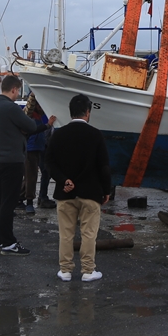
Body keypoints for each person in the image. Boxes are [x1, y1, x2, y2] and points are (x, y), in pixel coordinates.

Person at [46, 93, 112, 282]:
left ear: (70, 113)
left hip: (65, 193)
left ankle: (65, 270)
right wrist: (106, 190)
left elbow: (49, 162)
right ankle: (88, 271)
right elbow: (104, 167)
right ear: (88, 112)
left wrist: (63, 180)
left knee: (66, 234)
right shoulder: (96, 135)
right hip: (90, 192)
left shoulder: (59, 135)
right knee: (88, 233)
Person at [0, 75, 55, 255]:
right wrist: (47, 124)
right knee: (8, 203)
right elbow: (30, 125)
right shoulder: (10, 107)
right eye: (18, 90)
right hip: (12, 160)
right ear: (13, 89)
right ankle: (9, 243)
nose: (18, 93)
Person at [22, 95, 50, 215]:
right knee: (30, 176)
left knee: (44, 172)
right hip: (31, 149)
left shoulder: (40, 116)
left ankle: (23, 198)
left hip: (39, 147)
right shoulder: (29, 116)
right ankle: (29, 202)